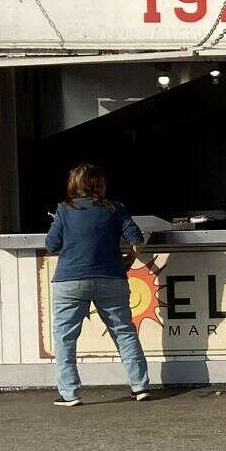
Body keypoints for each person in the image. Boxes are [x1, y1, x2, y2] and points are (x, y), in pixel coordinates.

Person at [44, 164, 153, 406]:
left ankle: (70, 393)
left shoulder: (63, 210)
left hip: (70, 280)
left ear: (74, 185)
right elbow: (136, 239)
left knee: (65, 337)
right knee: (124, 332)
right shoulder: (116, 208)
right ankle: (140, 386)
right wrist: (131, 258)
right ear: (100, 184)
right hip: (111, 278)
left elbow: (51, 245)